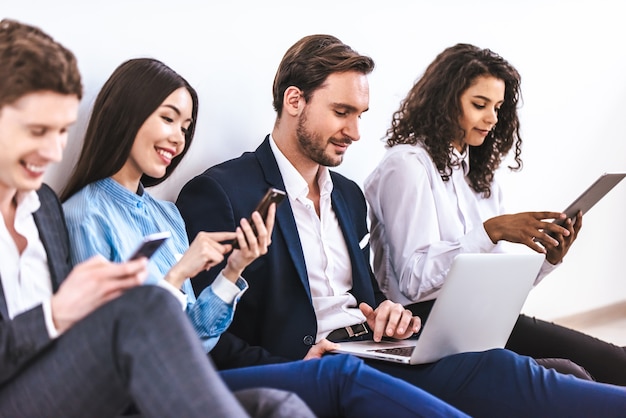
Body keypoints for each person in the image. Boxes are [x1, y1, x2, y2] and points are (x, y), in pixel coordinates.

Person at [176, 33, 626, 417]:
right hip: (319, 363)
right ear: (295, 100)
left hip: (377, 347)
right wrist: (295, 362)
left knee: (552, 372)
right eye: (341, 112)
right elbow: (207, 333)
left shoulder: (348, 196)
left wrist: (390, 313)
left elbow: (372, 298)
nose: (354, 132)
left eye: (360, 115)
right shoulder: (223, 191)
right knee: (501, 371)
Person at [61, 56, 474, 418]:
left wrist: (233, 270)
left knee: (477, 361)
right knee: (343, 376)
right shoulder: (86, 213)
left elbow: (198, 333)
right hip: (156, 384)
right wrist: (179, 275)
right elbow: (119, 341)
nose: (178, 138)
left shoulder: (164, 213)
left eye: (185, 126)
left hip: (200, 367)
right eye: (168, 119)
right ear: (126, 114)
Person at [0, 17, 315, 418]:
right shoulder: (81, 212)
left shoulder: (41, 207)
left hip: (88, 377)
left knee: (278, 405)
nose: (54, 152)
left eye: (62, 131)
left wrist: (233, 270)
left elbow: (188, 340)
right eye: (37, 130)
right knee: (146, 304)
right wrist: (57, 314)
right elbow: (109, 334)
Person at [362, 43, 626, 386]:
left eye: (498, 107)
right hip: (427, 325)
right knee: (580, 373)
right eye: (479, 104)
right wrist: (490, 232)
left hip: (483, 318)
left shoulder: (478, 176)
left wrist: (548, 260)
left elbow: (495, 285)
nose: (492, 118)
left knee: (615, 361)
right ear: (445, 100)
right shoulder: (407, 166)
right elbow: (414, 283)